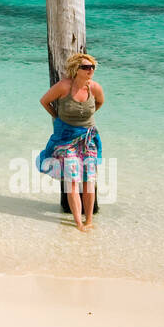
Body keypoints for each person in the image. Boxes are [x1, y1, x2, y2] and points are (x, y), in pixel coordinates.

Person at [36, 53, 104, 231]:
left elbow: (100, 102)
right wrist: (58, 117)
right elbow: (44, 101)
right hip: (66, 139)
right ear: (76, 69)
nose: (90, 70)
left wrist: (85, 119)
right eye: (86, 67)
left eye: (92, 67)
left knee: (89, 180)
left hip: (88, 139)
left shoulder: (95, 87)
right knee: (72, 180)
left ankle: (89, 220)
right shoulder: (64, 86)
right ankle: (78, 223)